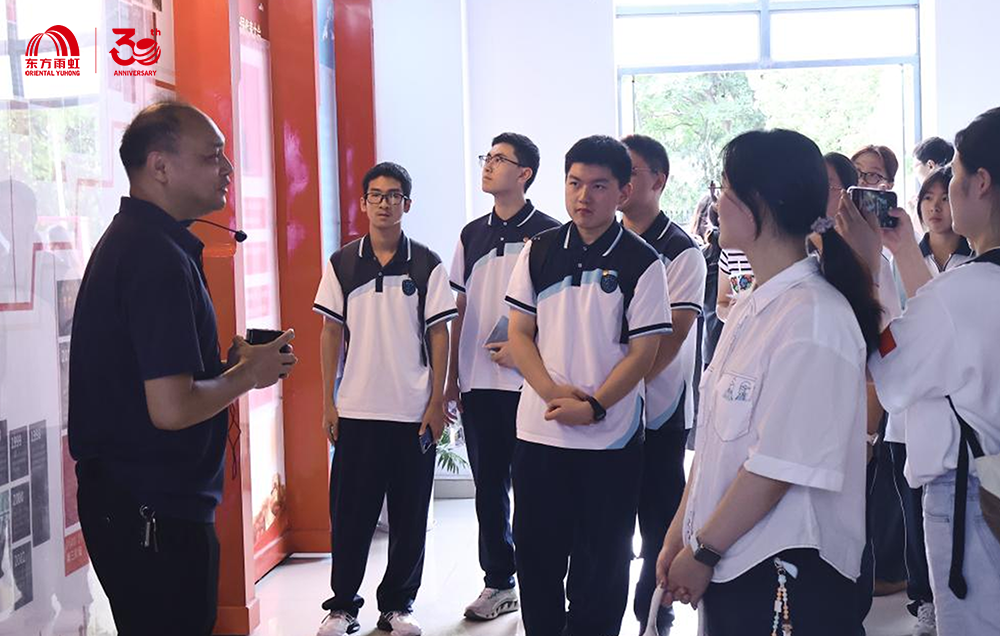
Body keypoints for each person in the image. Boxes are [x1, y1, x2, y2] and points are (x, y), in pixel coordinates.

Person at [68, 101, 297, 636]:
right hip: (150, 510)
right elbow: (170, 409)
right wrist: (247, 375)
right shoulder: (153, 256)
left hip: (146, 505)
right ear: (160, 167)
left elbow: (160, 384)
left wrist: (227, 368)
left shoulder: (147, 242)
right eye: (212, 156)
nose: (228, 169)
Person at [658, 129, 879, 636]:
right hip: (733, 557)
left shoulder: (814, 318)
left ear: (759, 204)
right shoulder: (753, 306)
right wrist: (680, 532)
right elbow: (717, 443)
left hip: (786, 571)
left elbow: (776, 469)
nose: (717, 204)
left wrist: (703, 549)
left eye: (725, 190)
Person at [505, 135, 670, 636]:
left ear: (623, 192)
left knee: (603, 565)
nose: (583, 196)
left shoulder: (644, 262)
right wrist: (553, 394)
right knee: (536, 558)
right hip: (540, 434)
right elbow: (519, 333)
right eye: (574, 183)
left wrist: (595, 406)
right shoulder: (538, 251)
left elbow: (644, 353)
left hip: (611, 440)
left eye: (599, 186)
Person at [845, 107, 1000, 636]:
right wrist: (904, 254)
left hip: (972, 493)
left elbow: (891, 371)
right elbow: (945, 323)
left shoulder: (963, 291)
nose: (945, 193)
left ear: (980, 183)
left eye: (954, 176)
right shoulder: (964, 290)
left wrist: (868, 266)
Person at [313, 162, 458, 636]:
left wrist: (436, 402)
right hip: (356, 410)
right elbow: (330, 332)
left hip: (412, 413)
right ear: (363, 203)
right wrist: (329, 402)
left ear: (407, 204)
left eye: (394, 195)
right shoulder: (342, 263)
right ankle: (342, 607)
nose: (384, 203)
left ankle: (398, 606)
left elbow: (439, 334)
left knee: (409, 518)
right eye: (375, 195)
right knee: (350, 517)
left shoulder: (427, 264)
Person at [443, 133, 559, 621]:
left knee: (536, 490)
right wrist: (451, 378)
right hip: (479, 384)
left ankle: (543, 582)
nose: (488, 166)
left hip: (532, 385)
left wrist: (527, 352)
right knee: (489, 490)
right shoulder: (472, 234)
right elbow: (459, 308)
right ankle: (499, 582)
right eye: (486, 157)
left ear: (525, 173)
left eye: (499, 159)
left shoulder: (552, 235)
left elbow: (559, 312)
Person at [620, 134, 707, 635]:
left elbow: (670, 341)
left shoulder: (681, 251)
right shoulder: (601, 240)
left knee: (658, 525)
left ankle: (654, 613)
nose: (620, 182)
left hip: (659, 412)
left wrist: (610, 392)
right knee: (607, 525)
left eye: (630, 171)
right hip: (605, 416)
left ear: (659, 180)